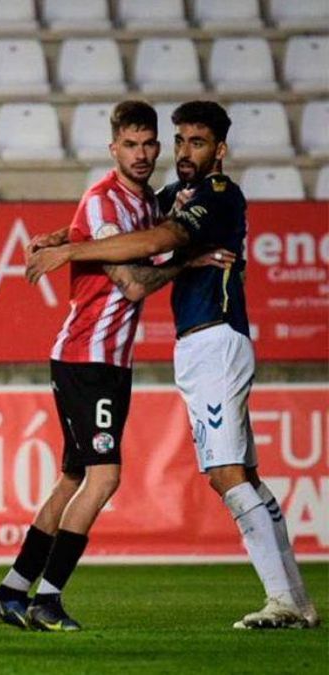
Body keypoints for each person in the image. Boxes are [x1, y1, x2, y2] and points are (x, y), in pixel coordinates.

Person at [26, 101, 318, 630]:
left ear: (219, 150)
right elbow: (125, 224)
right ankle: (296, 600)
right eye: (180, 140)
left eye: (197, 142)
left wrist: (71, 253)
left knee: (226, 474)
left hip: (214, 339)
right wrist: (62, 236)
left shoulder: (218, 194)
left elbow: (161, 239)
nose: (184, 152)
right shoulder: (177, 193)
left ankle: (282, 601)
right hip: (203, 343)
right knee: (246, 475)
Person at [0, 101, 233, 632]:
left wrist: (64, 238)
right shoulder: (103, 199)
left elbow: (107, 236)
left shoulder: (143, 201)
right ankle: (47, 600)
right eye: (130, 145)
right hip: (87, 357)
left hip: (108, 361)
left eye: (148, 145)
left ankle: (11, 591)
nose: (141, 154)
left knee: (73, 478)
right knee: (105, 478)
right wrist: (189, 261)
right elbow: (133, 284)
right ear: (113, 148)